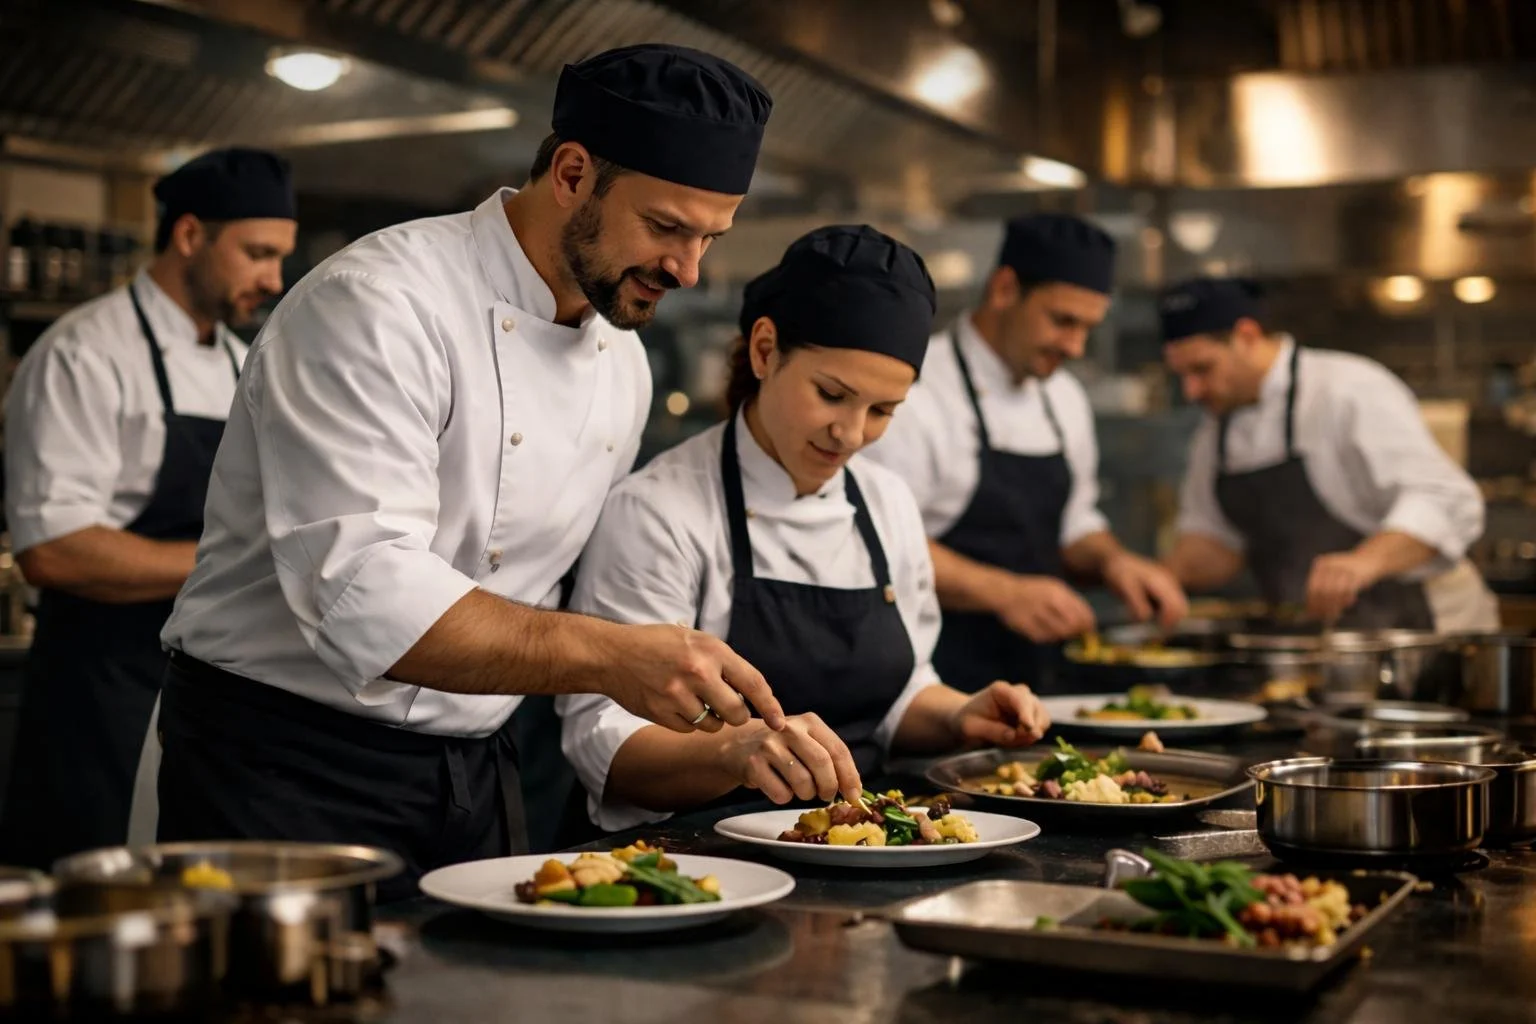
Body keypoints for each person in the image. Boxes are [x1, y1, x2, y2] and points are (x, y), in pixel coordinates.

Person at [148, 44, 786, 899]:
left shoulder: (622, 365)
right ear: (570, 173)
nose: (688, 269)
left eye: (711, 237)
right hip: (277, 770)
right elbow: (365, 597)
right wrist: (612, 656)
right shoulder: (378, 305)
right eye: (668, 227)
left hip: (473, 777)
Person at [558, 225, 1051, 832]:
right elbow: (604, 743)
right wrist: (732, 755)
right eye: (831, 394)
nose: (851, 433)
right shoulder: (660, 511)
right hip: (699, 855)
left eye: (881, 411)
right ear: (765, 351)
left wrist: (957, 715)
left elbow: (896, 696)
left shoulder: (886, 503)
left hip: (864, 843)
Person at [0, 148, 297, 868]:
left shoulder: (242, 361)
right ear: (190, 235)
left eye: (280, 258)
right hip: (102, 693)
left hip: (209, 696)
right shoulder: (84, 353)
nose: (275, 280)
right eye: (258, 254)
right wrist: (246, 564)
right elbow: (53, 547)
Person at [864, 213, 1188, 694]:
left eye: (1088, 328)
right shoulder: (916, 389)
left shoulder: (1063, 397)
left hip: (1043, 679)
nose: (1075, 346)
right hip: (933, 680)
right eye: (1063, 321)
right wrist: (1005, 593)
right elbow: (877, 540)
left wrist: (1113, 561)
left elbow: (1074, 521)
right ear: (1005, 288)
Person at [1160, 277, 1498, 632]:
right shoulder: (1214, 433)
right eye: (1181, 375)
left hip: (1427, 628)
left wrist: (1365, 562)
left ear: (1246, 336)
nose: (1191, 391)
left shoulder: (1346, 390)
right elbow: (1216, 544)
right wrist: (1158, 576)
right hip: (1318, 638)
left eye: (1202, 369)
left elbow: (1447, 498)